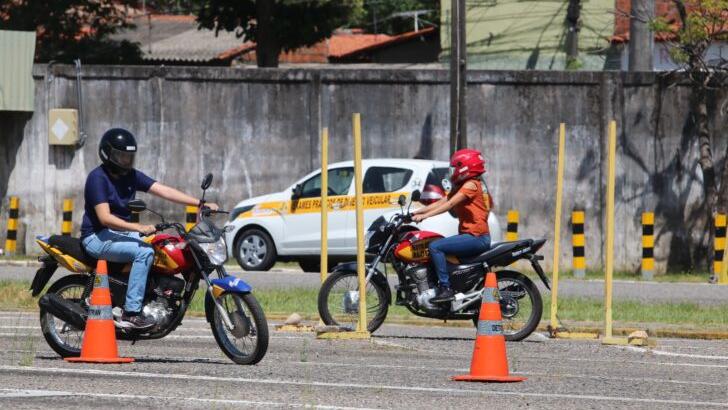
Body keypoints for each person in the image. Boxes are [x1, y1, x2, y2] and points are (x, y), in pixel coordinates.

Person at [80, 128, 218, 330]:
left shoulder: (131, 175)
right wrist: (138, 227)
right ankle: (131, 312)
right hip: (96, 236)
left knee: (163, 243)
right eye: (121, 156)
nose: (126, 161)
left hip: (120, 233)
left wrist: (199, 203)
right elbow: (105, 218)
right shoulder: (97, 178)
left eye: (129, 156)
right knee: (144, 252)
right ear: (107, 154)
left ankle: (152, 293)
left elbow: (163, 190)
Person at [412, 149, 490, 303]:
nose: (452, 171)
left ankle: (445, 288)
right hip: (469, 236)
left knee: (436, 247)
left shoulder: (471, 185)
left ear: (465, 167)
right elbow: (444, 200)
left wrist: (424, 217)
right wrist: (416, 212)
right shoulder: (463, 185)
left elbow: (450, 204)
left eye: (455, 167)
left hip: (477, 237)